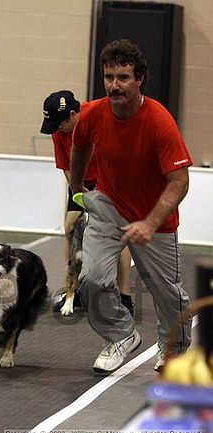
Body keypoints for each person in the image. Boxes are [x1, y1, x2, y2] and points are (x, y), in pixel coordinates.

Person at [70, 39, 192, 373]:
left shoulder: (159, 122)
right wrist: (77, 185)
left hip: (155, 216)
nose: (114, 85)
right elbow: (80, 144)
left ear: (139, 79)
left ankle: (173, 348)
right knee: (92, 278)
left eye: (122, 77)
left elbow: (180, 181)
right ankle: (121, 335)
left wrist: (150, 223)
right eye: (108, 77)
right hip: (109, 206)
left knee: (166, 293)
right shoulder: (93, 113)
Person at [40, 90, 134, 314]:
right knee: (70, 226)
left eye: (59, 124)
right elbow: (66, 167)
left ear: (73, 115)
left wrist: (98, 202)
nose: (56, 129)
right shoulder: (58, 131)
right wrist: (80, 196)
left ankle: (124, 295)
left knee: (118, 233)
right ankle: (75, 289)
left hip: (110, 179)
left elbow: (114, 159)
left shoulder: (98, 118)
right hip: (80, 181)